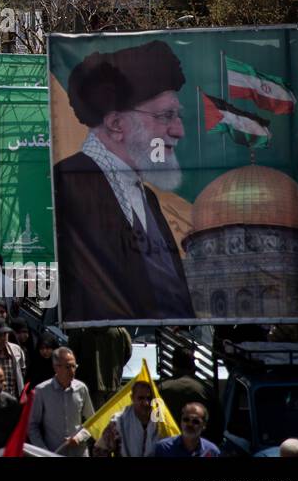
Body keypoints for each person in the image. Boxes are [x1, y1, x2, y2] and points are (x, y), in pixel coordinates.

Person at [53, 40, 195, 321]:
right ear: (116, 124)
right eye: (165, 115)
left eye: (177, 116)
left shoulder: (146, 196)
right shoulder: (71, 184)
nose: (178, 130)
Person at [28, 347, 95, 456]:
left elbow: (92, 421)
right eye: (68, 367)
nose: (72, 371)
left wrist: (80, 437)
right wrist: (43, 451)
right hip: (53, 452)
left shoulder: (81, 388)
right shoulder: (42, 391)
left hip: (79, 452)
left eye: (74, 366)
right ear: (56, 367)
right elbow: (32, 426)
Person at [157, 347, 221, 442]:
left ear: (173, 366)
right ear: (193, 366)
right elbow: (218, 424)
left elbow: (152, 422)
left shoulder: (160, 388)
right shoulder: (205, 390)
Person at [97, 380, 163, 457]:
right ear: (132, 398)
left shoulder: (161, 423)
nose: (146, 403)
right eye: (141, 398)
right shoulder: (118, 422)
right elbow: (99, 450)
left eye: (149, 398)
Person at [151, 402, 220, 457]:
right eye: (186, 419)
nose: (190, 424)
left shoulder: (212, 451)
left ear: (204, 425)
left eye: (195, 421)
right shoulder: (163, 448)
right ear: (181, 421)